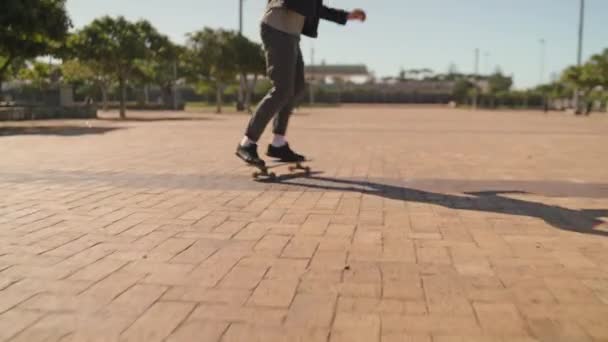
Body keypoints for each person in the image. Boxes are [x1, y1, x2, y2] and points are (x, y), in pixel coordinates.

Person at [236, 0, 366, 167]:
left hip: (291, 34)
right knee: (282, 89)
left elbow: (316, 8)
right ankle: (247, 143)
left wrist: (346, 16)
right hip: (277, 28)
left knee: (296, 87)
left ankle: (278, 143)